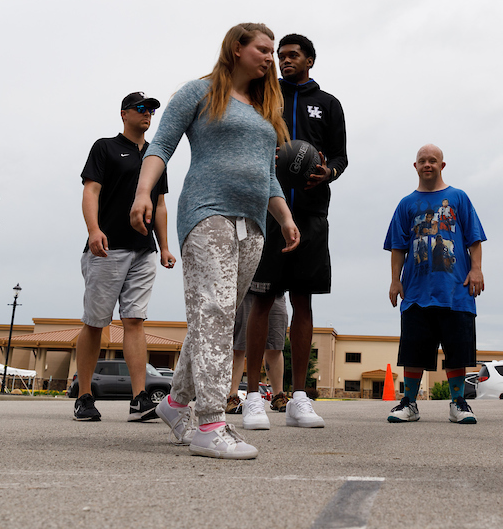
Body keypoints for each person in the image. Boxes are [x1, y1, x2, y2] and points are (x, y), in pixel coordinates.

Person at [131, 23, 300, 460]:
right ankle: (210, 424)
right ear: (237, 48)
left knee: (216, 317)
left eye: (272, 52)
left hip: (253, 225)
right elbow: (161, 145)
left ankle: (173, 404)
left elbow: (268, 176)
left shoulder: (265, 109)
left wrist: (284, 219)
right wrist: (143, 192)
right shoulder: (199, 92)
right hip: (207, 213)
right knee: (216, 312)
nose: (270, 58)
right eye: (263, 49)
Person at [241, 33, 347, 431]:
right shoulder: (265, 96)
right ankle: (253, 397)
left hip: (311, 213)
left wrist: (328, 172)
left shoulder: (329, 104)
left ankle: (299, 398)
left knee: (304, 304)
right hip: (267, 211)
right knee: (261, 301)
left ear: (310, 60)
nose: (284, 61)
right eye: (280, 56)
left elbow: (341, 155)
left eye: (292, 56)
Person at [73, 91, 175, 423]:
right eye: (141, 108)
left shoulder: (156, 157)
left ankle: (139, 399)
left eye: (152, 110)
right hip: (107, 247)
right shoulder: (105, 147)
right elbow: (91, 190)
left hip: (143, 251)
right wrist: (93, 230)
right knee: (95, 322)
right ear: (124, 113)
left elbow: (159, 204)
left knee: (134, 321)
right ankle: (84, 396)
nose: (148, 114)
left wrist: (165, 246)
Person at [384, 144, 485, 425]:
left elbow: (474, 238)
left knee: (457, 352)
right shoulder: (406, 204)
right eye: (422, 161)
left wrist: (476, 270)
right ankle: (410, 403)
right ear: (415, 166)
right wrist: (395, 280)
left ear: (442, 165)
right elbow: (397, 247)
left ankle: (458, 403)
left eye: (433, 160)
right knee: (414, 351)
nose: (427, 164)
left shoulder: (458, 197)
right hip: (416, 291)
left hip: (456, 290)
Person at [226, 294, 287, 415]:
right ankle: (231, 397)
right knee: (239, 343)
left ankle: (278, 396)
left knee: (275, 343)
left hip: (274, 285)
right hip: (247, 287)